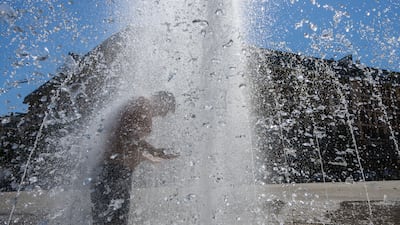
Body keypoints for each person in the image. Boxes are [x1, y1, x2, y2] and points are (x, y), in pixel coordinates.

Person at [91, 91, 177, 225]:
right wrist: (154, 151)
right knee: (115, 221)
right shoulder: (143, 105)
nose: (163, 115)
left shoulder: (136, 103)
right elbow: (128, 135)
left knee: (106, 220)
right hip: (115, 171)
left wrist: (148, 158)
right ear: (162, 101)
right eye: (166, 110)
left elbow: (121, 143)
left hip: (110, 170)